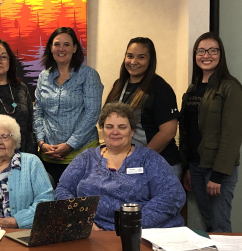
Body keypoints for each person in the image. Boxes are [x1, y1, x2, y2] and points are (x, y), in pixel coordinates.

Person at [55, 102, 185, 230]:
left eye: (122, 127)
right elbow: (62, 190)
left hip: (143, 231)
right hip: (94, 233)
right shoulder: (86, 158)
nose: (115, 132)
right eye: (109, 126)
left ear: (132, 131)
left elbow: (173, 195)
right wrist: (83, 221)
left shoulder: (148, 158)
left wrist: (132, 224)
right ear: (102, 129)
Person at [180, 32, 242, 233]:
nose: (206, 55)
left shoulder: (230, 87)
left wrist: (218, 175)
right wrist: (188, 168)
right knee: (208, 225)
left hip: (216, 170)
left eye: (212, 50)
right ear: (195, 54)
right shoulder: (192, 89)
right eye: (201, 51)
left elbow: (231, 135)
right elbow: (188, 131)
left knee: (220, 226)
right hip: (196, 168)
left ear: (220, 54)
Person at [34, 27, 103, 184]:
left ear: (74, 48)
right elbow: (38, 112)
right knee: (51, 202)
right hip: (48, 155)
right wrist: (41, 143)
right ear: (51, 48)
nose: (61, 49)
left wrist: (70, 144)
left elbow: (92, 112)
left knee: (81, 204)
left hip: (82, 153)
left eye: (67, 44)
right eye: (57, 44)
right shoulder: (43, 76)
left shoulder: (88, 75)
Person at [104, 37, 181, 178]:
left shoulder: (160, 89)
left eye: (141, 57)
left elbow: (168, 132)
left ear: (150, 61)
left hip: (159, 165)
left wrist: (140, 158)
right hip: (129, 163)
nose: (134, 62)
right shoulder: (119, 85)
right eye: (130, 56)